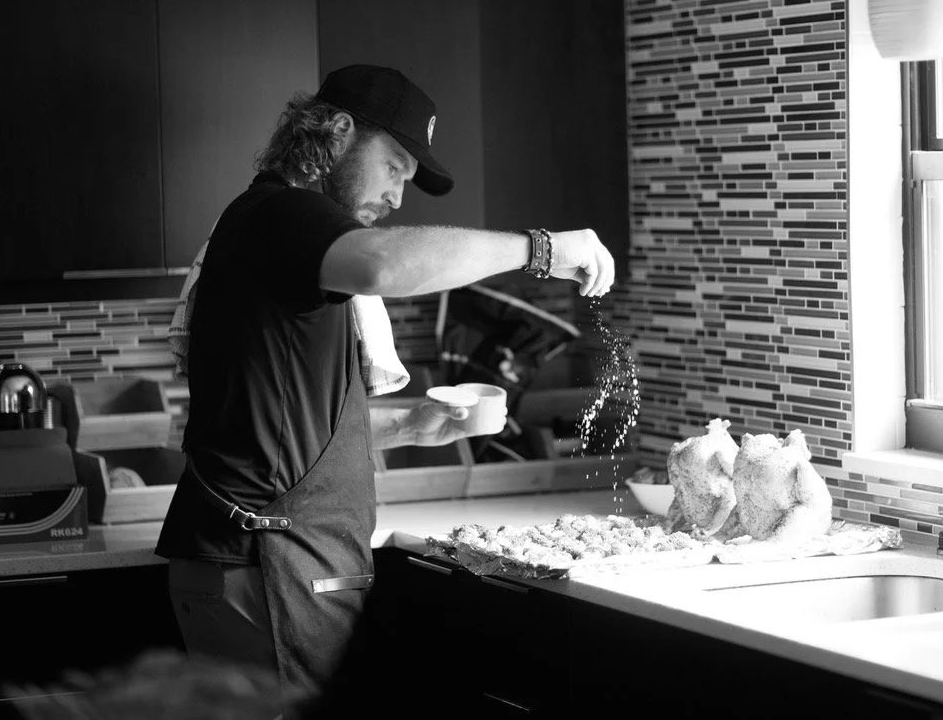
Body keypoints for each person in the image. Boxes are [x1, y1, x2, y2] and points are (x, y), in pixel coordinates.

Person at [153, 64, 615, 716]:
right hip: (269, 564)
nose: (399, 195)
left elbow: (277, 424)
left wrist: (410, 427)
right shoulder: (283, 214)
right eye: (395, 165)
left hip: (271, 562)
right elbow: (385, 262)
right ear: (339, 132)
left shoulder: (277, 233)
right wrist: (540, 249)